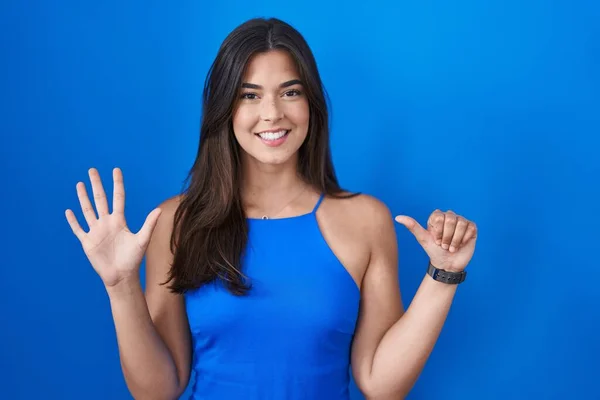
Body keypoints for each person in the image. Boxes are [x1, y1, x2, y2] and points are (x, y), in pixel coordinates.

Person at [65, 17, 478, 400]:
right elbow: (158, 389)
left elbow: (380, 383)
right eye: (249, 95)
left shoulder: (365, 219)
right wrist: (120, 287)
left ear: (310, 104)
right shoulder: (177, 221)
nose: (272, 113)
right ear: (225, 109)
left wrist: (444, 274)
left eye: (290, 92)